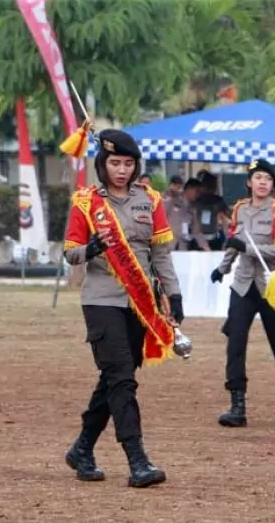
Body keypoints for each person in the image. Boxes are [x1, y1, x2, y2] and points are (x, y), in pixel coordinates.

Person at [62, 129, 184, 488]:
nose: (121, 170)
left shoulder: (150, 200)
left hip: (140, 302)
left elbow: (160, 254)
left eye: (128, 163)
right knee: (123, 379)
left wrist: (173, 296)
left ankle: (82, 448)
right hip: (101, 300)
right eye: (114, 162)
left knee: (115, 378)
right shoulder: (85, 203)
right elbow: (70, 253)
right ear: (102, 164)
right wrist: (92, 249)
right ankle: (137, 459)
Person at [209, 159, 275, 427]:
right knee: (235, 341)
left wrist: (248, 249)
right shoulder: (240, 209)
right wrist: (222, 268)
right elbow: (234, 242)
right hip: (242, 284)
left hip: (269, 284)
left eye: (267, 178)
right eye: (258, 178)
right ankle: (237, 404)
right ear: (248, 182)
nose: (263, 182)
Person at [192, 171, 230, 251]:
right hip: (199, 237)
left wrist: (227, 237)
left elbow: (224, 219)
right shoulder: (196, 200)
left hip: (213, 237)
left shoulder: (217, 201)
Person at [163, 175, 191, 250]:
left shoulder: (182, 198)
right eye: (177, 187)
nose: (178, 190)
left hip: (182, 237)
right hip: (169, 237)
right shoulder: (164, 197)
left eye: (180, 187)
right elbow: (163, 213)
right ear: (171, 185)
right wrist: (171, 199)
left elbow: (186, 215)